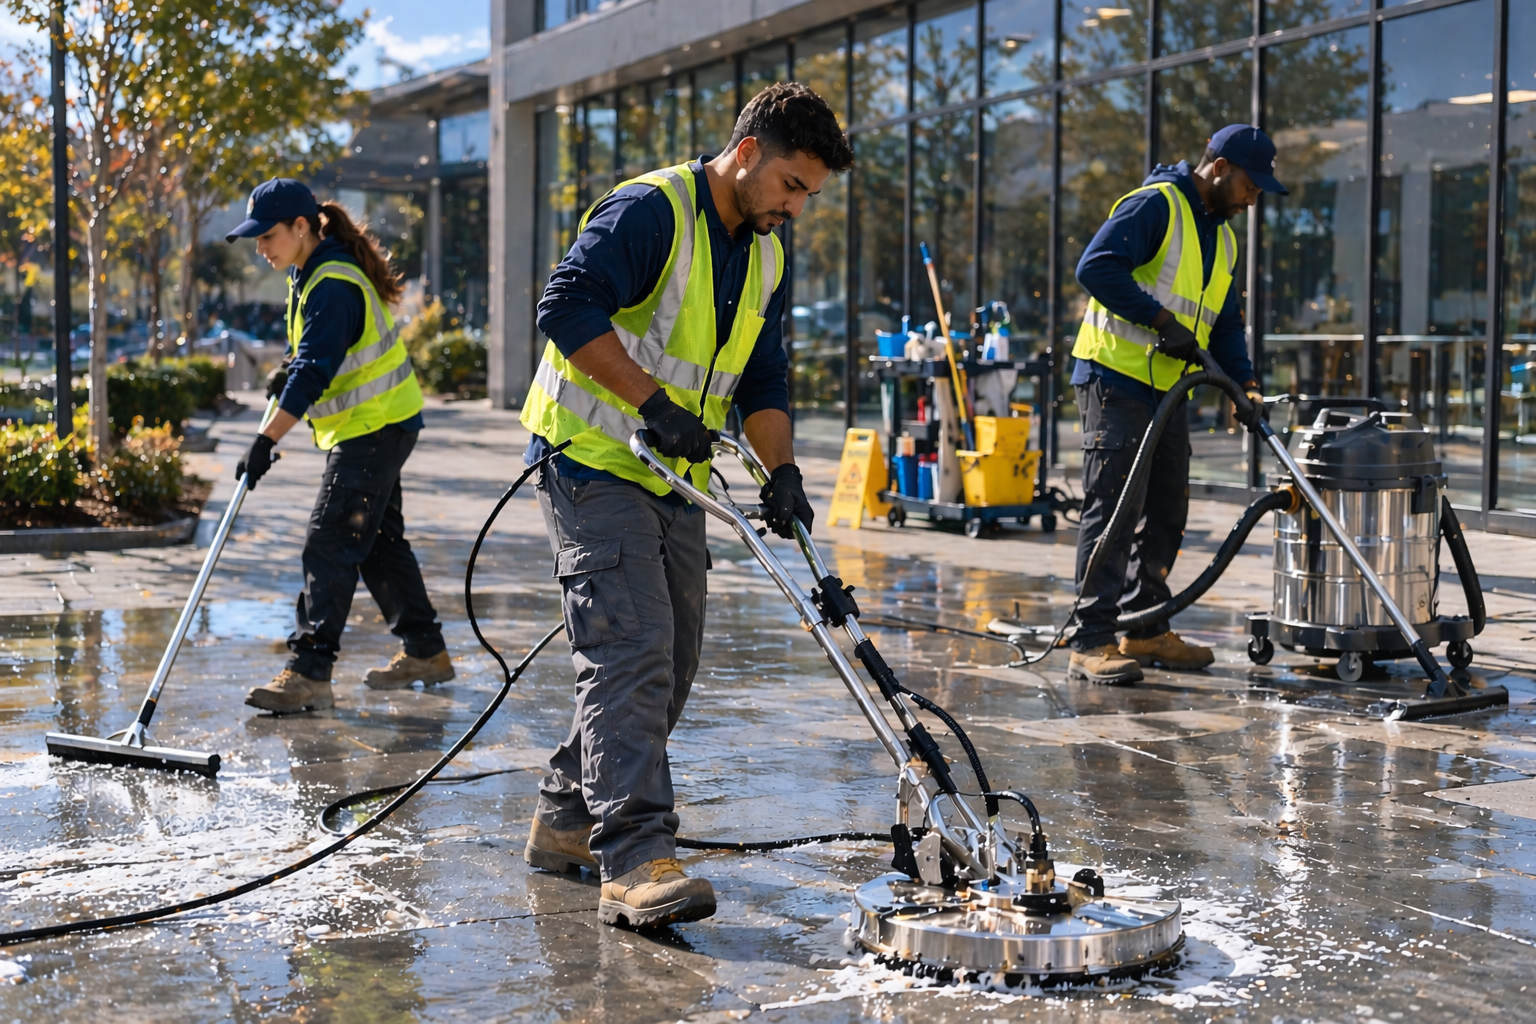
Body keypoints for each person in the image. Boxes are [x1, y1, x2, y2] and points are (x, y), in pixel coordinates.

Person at [520, 82, 853, 928]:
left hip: (673, 479)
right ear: (747, 155)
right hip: (594, 460)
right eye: (792, 187)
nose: (799, 208)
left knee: (669, 662)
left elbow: (764, 377)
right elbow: (564, 307)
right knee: (630, 650)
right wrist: (651, 403)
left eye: (811, 195)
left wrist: (783, 472)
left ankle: (566, 818)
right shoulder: (651, 211)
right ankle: (632, 860)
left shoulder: (768, 252)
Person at [1067, 124, 1286, 685]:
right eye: (1249, 184)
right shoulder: (1157, 205)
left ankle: (1145, 626)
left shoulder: (1225, 238)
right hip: (1115, 379)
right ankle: (1090, 638)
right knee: (1115, 508)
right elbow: (1095, 267)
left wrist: (1246, 385)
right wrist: (1161, 322)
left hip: (1169, 388)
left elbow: (1226, 324)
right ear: (1218, 168)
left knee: (1167, 507)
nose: (1254, 196)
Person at [225, 178, 453, 713]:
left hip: (373, 430)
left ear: (301, 227)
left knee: (329, 541)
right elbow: (315, 352)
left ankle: (309, 671)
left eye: (268, 236)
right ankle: (426, 651)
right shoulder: (311, 272)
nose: (262, 248)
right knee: (375, 542)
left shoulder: (331, 282)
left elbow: (317, 368)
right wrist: (288, 369)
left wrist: (265, 440)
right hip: (380, 425)